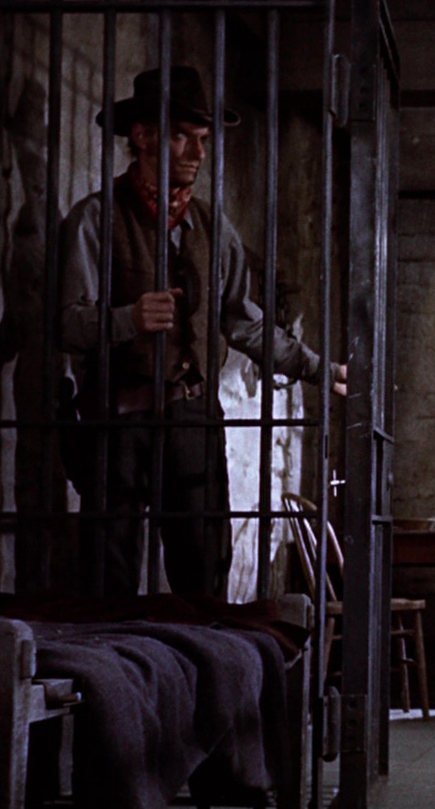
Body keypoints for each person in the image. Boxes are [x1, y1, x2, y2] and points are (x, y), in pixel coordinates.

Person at [59, 66, 343, 599]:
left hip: (191, 415)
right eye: (182, 136)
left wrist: (317, 369)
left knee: (204, 564)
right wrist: (127, 319)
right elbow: (66, 324)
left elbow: (243, 320)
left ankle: (199, 651)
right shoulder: (95, 219)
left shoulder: (212, 228)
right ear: (142, 136)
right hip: (116, 417)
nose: (197, 153)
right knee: (108, 571)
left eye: (203, 140)